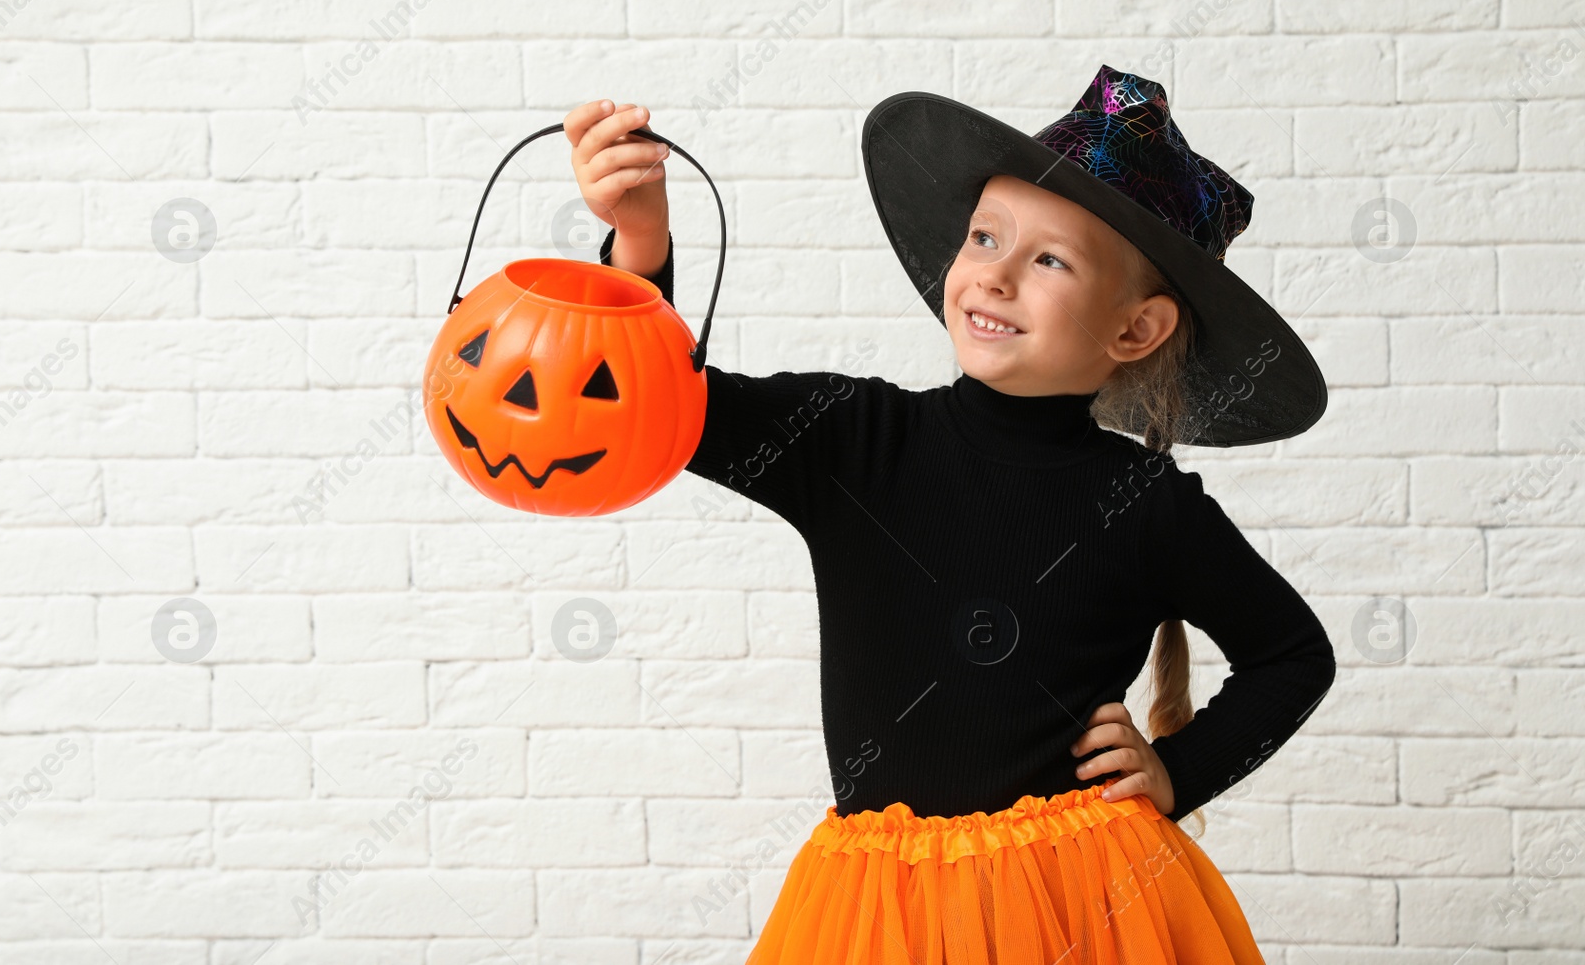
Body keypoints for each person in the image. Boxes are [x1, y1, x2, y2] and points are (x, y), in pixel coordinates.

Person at [562, 66, 1336, 964]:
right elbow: (658, 405)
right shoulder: (852, 440)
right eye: (984, 236)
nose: (995, 275)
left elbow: (1293, 653)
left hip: (1080, 904)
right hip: (876, 914)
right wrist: (641, 248)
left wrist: (1180, 772)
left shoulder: (1146, 502)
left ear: (1137, 329)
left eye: (1049, 259)